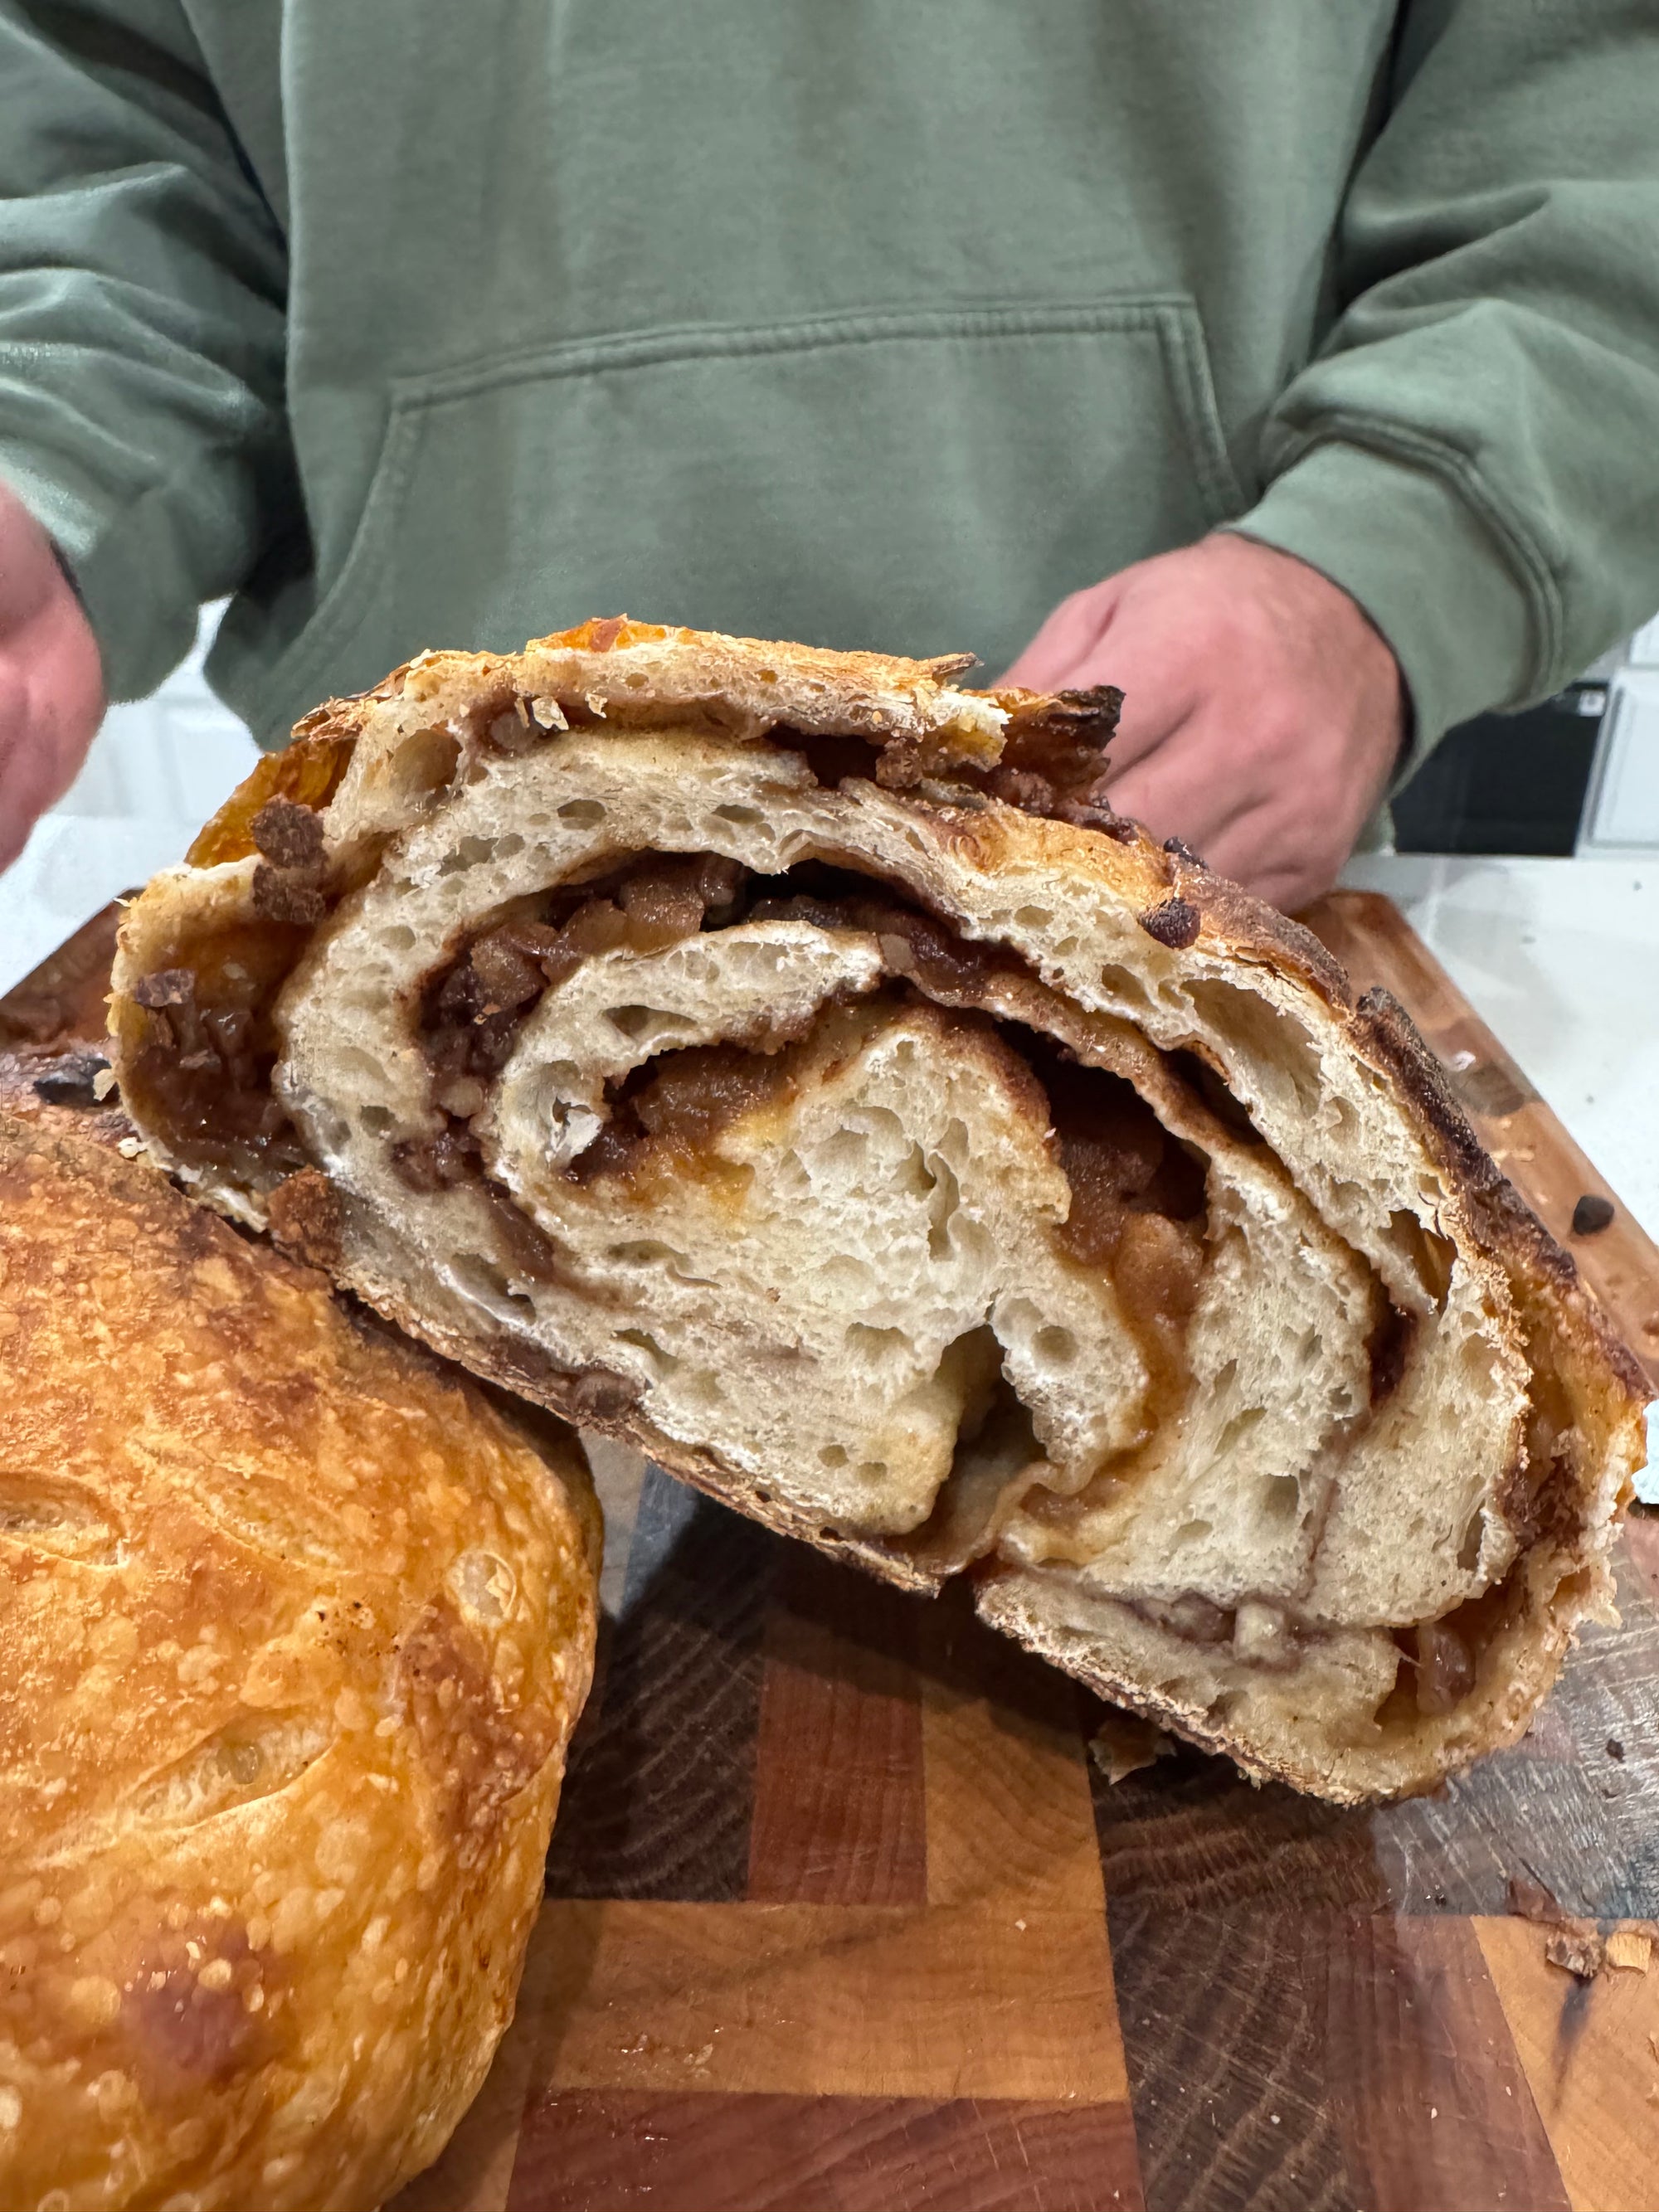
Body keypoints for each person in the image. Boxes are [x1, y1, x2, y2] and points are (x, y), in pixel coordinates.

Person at [2, 2, 1657, 911]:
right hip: (418, 921)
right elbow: (122, 131)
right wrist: (55, 481)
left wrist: (1374, 568)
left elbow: (1598, 135)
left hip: (1178, 883)